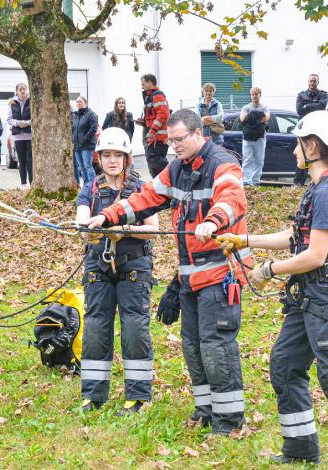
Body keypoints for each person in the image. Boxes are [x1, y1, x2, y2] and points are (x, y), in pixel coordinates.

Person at [218, 110, 328, 467]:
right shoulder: (318, 187)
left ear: (312, 146)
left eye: (299, 141)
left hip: (326, 297)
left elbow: (314, 255)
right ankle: (300, 448)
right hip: (309, 297)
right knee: (285, 364)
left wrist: (268, 269)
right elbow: (297, 237)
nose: (295, 148)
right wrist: (245, 239)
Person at [87, 109, 250, 435]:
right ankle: (205, 410)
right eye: (170, 141)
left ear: (197, 134)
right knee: (192, 346)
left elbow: (233, 198)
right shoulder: (177, 170)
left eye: (179, 140)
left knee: (216, 346)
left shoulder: (223, 164)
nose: (173, 146)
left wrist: (213, 220)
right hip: (190, 276)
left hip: (221, 273)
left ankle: (230, 421)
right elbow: (145, 198)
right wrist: (108, 217)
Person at [75, 127, 159, 415]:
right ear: (99, 158)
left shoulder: (141, 189)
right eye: (106, 155)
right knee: (96, 327)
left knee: (135, 328)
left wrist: (123, 231)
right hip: (98, 267)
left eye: (117, 155)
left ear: (126, 158)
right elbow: (82, 220)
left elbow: (153, 231)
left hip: (134, 267)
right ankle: (93, 395)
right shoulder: (90, 188)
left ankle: (137, 397)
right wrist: (87, 230)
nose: (112, 161)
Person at [294, 74, 328, 185]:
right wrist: (314, 105)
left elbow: (322, 106)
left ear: (318, 82)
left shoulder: (323, 94)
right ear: (308, 82)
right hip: (304, 129)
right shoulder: (301, 95)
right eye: (310, 81)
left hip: (317, 130)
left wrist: (307, 106)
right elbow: (299, 110)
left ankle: (317, 180)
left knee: (316, 154)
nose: (312, 83)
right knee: (304, 154)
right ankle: (299, 182)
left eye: (314, 81)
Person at [239, 86, 270, 186]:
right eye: (252, 94)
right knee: (247, 159)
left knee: (259, 160)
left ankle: (256, 181)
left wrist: (251, 117)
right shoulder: (246, 107)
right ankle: (247, 181)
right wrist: (257, 117)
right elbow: (242, 119)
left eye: (256, 94)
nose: (254, 96)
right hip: (247, 137)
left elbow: (266, 118)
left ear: (260, 95)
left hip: (260, 137)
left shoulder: (264, 107)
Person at [141, 73, 171, 177]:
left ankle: (173, 172)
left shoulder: (157, 95)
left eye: (143, 84)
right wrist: (144, 122)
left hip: (158, 136)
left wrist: (153, 131)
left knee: (152, 158)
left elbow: (162, 115)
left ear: (149, 82)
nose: (142, 86)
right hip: (157, 135)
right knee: (153, 165)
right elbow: (155, 115)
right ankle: (159, 185)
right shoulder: (151, 96)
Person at [7, 83, 32, 186]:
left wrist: (25, 123)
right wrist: (18, 123)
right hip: (18, 137)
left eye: (24, 89)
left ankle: (32, 183)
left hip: (29, 136)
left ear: (27, 90)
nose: (22, 91)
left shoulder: (32, 101)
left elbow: (36, 117)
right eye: (20, 89)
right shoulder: (12, 103)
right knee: (22, 161)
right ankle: (23, 184)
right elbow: (9, 119)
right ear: (17, 91)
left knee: (30, 161)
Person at [72, 96, 98, 186]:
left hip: (87, 145)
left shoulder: (91, 114)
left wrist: (84, 140)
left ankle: (94, 186)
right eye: (77, 102)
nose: (78, 103)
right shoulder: (76, 116)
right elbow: (73, 130)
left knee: (88, 166)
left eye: (80, 101)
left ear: (85, 103)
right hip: (77, 146)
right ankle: (87, 186)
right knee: (82, 168)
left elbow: (93, 129)